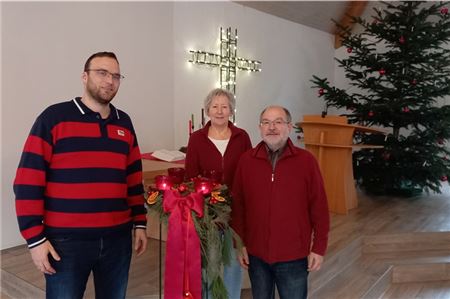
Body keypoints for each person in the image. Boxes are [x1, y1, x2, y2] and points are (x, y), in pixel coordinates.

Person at [13, 51, 148, 299]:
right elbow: (27, 180)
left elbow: (132, 178)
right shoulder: (53, 118)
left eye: (116, 76)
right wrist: (34, 239)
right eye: (102, 73)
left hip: (118, 239)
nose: (110, 81)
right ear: (84, 77)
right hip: (66, 242)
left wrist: (140, 223)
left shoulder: (124, 123)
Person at [231, 105, 330, 299]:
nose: (272, 127)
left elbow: (319, 207)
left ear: (289, 127)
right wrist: (240, 243)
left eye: (278, 122)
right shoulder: (246, 161)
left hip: (293, 256)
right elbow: (238, 206)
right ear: (260, 128)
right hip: (256, 255)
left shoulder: (306, 161)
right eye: (266, 122)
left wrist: (318, 247)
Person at [185, 88, 252, 299]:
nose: (220, 111)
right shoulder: (196, 139)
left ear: (231, 110)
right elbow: (190, 176)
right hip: (207, 212)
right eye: (215, 106)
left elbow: (249, 172)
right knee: (209, 262)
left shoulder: (242, 137)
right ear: (207, 110)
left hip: (235, 211)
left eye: (225, 106)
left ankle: (231, 296)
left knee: (232, 261)